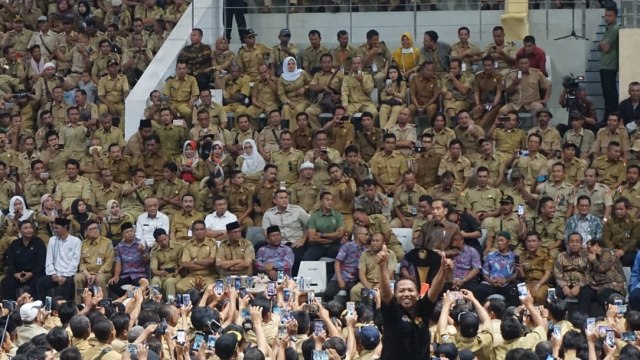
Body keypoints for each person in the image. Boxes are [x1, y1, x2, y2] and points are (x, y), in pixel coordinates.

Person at [378, 241, 449, 360]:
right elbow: (385, 292)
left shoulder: (422, 309)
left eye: (410, 290)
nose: (406, 294)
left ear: (417, 294)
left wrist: (442, 269)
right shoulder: (392, 311)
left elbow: (435, 289)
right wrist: (382, 267)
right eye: (401, 291)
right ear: (395, 294)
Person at [36, 217, 81, 301]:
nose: (54, 230)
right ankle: (42, 306)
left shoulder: (76, 241)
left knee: (70, 283)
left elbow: (75, 262)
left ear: (65, 228)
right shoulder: (52, 240)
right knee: (41, 282)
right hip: (55, 274)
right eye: (54, 228)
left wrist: (64, 276)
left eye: (57, 228)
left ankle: (66, 308)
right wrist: (53, 273)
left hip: (69, 274)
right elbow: (49, 259)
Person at [1, 220, 46, 300]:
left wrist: (31, 273)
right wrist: (15, 274)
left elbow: (41, 261)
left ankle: (35, 306)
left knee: (38, 282)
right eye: (25, 228)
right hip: (18, 274)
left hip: (34, 274)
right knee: (6, 282)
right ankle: (9, 306)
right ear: (19, 230)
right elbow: (10, 262)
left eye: (30, 228)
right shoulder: (15, 244)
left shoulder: (39, 243)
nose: (29, 230)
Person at [73, 220, 113, 303]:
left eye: (97, 228)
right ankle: (79, 305)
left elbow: (109, 261)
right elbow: (81, 263)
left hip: (103, 272)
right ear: (86, 231)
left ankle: (104, 304)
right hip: (87, 273)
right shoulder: (83, 244)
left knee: (100, 278)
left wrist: (96, 274)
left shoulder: (107, 242)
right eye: (91, 229)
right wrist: (87, 275)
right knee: (78, 277)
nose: (95, 230)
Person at [554, 232, 594, 315]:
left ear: (581, 243)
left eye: (577, 241)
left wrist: (579, 286)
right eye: (571, 241)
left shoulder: (587, 256)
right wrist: (564, 286)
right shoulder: (561, 256)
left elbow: (589, 273)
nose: (574, 244)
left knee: (587, 294)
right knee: (556, 294)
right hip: (564, 285)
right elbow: (557, 273)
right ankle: (558, 320)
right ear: (568, 243)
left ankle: (583, 319)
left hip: (581, 285)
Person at [324, 225, 368, 302]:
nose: (367, 237)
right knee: (328, 294)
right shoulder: (347, 247)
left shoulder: (365, 250)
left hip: (353, 279)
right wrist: (340, 279)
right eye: (366, 234)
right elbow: (337, 263)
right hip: (341, 277)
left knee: (352, 294)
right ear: (358, 235)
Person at [350, 233, 397, 302]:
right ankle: (357, 312)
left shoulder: (390, 254)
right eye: (373, 241)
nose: (374, 243)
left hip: (384, 283)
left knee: (386, 293)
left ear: (383, 243)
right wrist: (369, 288)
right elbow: (361, 274)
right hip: (368, 282)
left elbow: (390, 274)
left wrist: (378, 286)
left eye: (377, 241)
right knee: (354, 291)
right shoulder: (365, 254)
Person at [108, 222, 149, 297]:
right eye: (127, 232)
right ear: (122, 235)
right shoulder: (119, 247)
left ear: (134, 232)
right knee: (113, 283)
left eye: (131, 231)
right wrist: (116, 275)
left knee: (138, 284)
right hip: (125, 275)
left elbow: (147, 261)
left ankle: (131, 298)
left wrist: (143, 252)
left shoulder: (141, 243)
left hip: (139, 274)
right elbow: (118, 262)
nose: (130, 233)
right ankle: (128, 298)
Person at [175, 220, 217, 293]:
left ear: (205, 230)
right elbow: (185, 263)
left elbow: (211, 260)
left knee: (210, 288)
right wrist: (205, 265)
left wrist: (194, 261)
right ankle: (191, 302)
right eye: (197, 230)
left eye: (201, 229)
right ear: (193, 232)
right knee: (180, 286)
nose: (199, 232)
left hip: (208, 276)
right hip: (192, 276)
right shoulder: (188, 244)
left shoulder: (212, 243)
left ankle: (202, 302)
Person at [586, 238, 627, 310]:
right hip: (599, 286)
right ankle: (583, 316)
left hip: (615, 286)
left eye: (589, 247)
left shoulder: (608, 253)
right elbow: (590, 273)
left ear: (596, 245)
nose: (588, 250)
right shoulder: (593, 257)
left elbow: (602, 268)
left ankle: (613, 313)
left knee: (602, 294)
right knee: (586, 294)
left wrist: (593, 260)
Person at [304, 191, 345, 261]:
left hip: (334, 246)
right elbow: (312, 238)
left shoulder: (338, 215)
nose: (330, 202)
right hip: (317, 246)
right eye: (327, 200)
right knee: (306, 259)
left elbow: (340, 234)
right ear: (321, 201)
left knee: (344, 254)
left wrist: (321, 234)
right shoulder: (314, 216)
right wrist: (333, 239)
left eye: (332, 200)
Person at [603, 197, 640, 267]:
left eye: (621, 209)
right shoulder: (609, 222)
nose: (618, 211)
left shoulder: (634, 223)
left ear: (627, 209)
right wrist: (613, 250)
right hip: (612, 249)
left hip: (628, 251)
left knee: (628, 259)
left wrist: (623, 250)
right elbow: (606, 238)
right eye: (616, 209)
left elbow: (634, 240)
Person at [599, 5, 620, 121]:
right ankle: (607, 117)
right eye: (606, 15)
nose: (607, 18)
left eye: (610, 15)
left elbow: (605, 47)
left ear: (616, 16)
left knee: (610, 94)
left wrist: (602, 44)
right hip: (604, 65)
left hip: (610, 65)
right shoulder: (608, 28)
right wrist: (602, 44)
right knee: (606, 94)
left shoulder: (615, 29)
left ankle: (610, 116)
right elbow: (600, 46)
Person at [149, 228, 183, 298]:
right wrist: (162, 273)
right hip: (161, 274)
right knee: (154, 281)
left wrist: (178, 271)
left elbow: (183, 264)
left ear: (167, 236)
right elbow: (153, 270)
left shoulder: (178, 247)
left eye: (165, 239)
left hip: (175, 274)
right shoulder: (155, 251)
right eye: (161, 241)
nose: (164, 242)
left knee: (169, 282)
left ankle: (171, 304)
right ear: (156, 241)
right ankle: (152, 303)